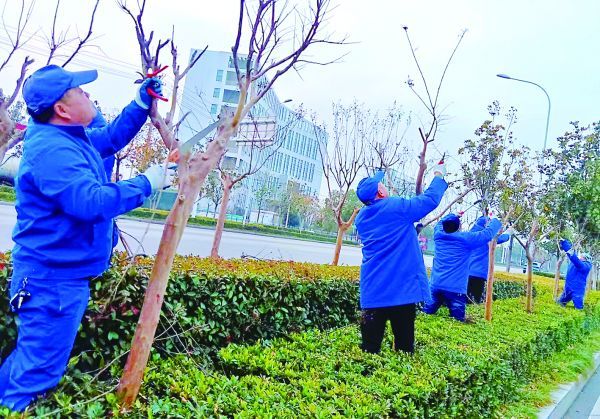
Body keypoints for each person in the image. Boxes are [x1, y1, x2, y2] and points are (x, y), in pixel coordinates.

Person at [0, 64, 176, 412]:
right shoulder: (54, 152)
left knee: (32, 360)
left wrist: (141, 104)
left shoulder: (64, 137)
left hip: (56, 278)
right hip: (52, 283)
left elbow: (110, 139)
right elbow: (91, 202)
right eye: (79, 91)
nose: (88, 94)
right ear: (62, 110)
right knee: (38, 372)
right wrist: (148, 182)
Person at [354, 163, 448, 354]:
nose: (384, 186)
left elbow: (391, 232)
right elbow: (429, 200)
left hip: (374, 291)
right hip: (402, 292)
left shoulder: (361, 218)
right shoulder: (396, 207)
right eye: (381, 184)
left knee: (369, 350)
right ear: (379, 192)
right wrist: (438, 176)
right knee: (405, 348)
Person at [422, 213, 502, 322]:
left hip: (436, 285)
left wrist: (453, 215)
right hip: (455, 290)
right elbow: (487, 234)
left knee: (425, 314)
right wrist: (495, 221)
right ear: (459, 226)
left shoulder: (438, 235)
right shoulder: (466, 239)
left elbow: (439, 223)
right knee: (458, 320)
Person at [466, 216, 511, 304]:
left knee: (466, 298)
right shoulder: (485, 237)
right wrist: (508, 233)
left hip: (467, 272)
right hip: (479, 273)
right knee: (475, 300)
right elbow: (499, 238)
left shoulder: (470, 234)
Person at [557, 239, 592, 310]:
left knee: (578, 309)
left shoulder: (585, 266)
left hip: (577, 291)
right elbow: (573, 256)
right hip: (567, 289)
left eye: (581, 256)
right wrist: (564, 245)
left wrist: (566, 245)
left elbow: (574, 257)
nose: (579, 257)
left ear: (585, 258)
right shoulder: (576, 263)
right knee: (559, 303)